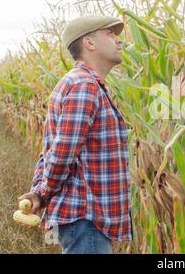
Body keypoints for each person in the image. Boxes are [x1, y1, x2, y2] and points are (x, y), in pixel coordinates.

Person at [18, 15, 132, 254]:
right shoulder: (84, 86)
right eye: (110, 34)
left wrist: (40, 191)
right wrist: (42, 192)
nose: (118, 41)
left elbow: (50, 150)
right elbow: (62, 153)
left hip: (85, 220)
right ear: (89, 43)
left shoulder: (81, 83)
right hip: (86, 218)